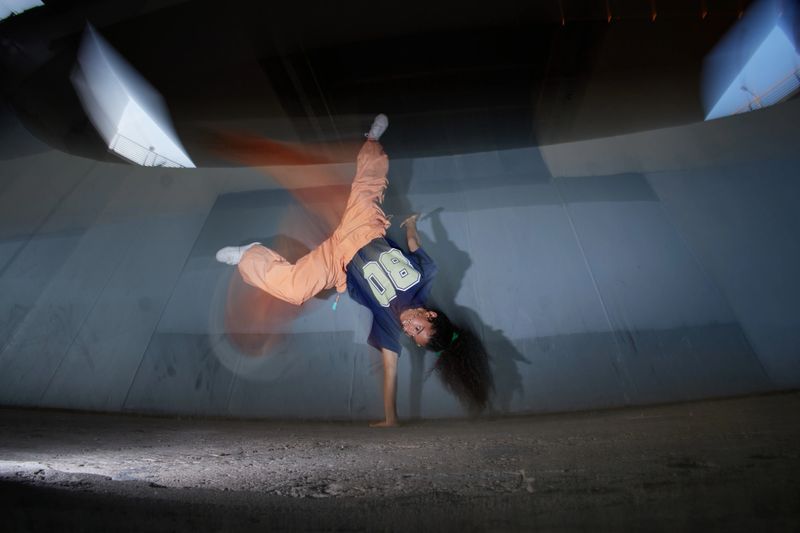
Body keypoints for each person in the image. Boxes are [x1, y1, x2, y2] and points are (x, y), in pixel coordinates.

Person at [216, 115, 492, 426]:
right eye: (418, 329)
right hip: (364, 230)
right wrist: (413, 224)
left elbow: (390, 370)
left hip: (339, 262)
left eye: (413, 337)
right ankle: (372, 140)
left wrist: (391, 418)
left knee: (294, 290)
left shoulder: (389, 325)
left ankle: (247, 255)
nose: (408, 330)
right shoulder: (426, 275)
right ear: (430, 316)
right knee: (369, 184)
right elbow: (414, 246)